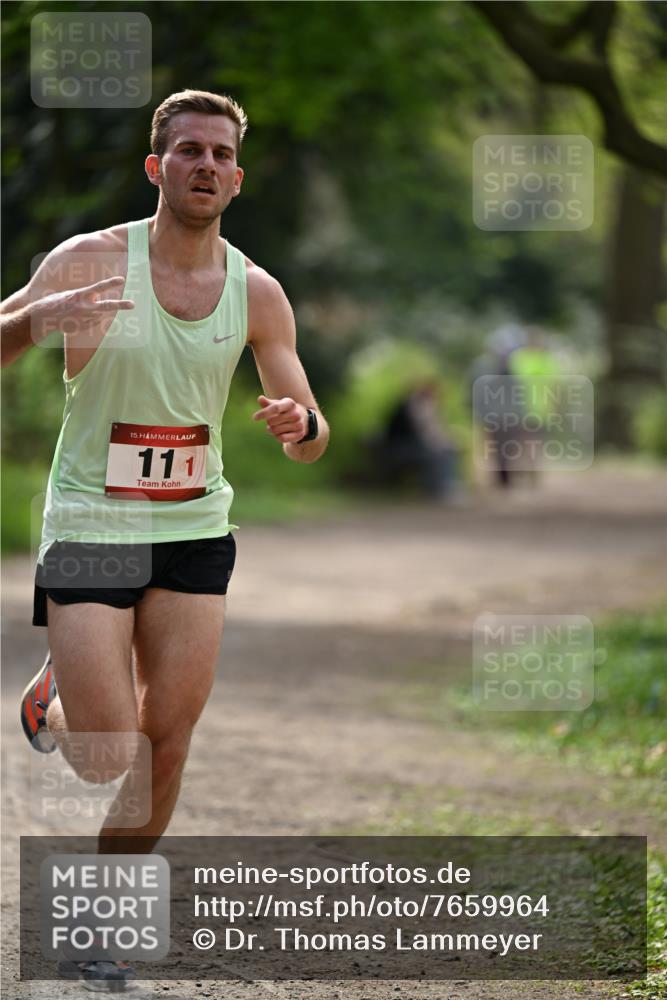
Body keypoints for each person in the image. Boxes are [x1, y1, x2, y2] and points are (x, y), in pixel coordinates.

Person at [1, 89, 329, 985]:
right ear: (158, 167)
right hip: (93, 521)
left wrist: (303, 427)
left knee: (166, 742)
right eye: (190, 151)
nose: (206, 167)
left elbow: (307, 419)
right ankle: (54, 701)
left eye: (222, 155)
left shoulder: (256, 290)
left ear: (237, 178)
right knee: (104, 753)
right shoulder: (90, 260)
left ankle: (99, 926)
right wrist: (37, 324)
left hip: (193, 526)